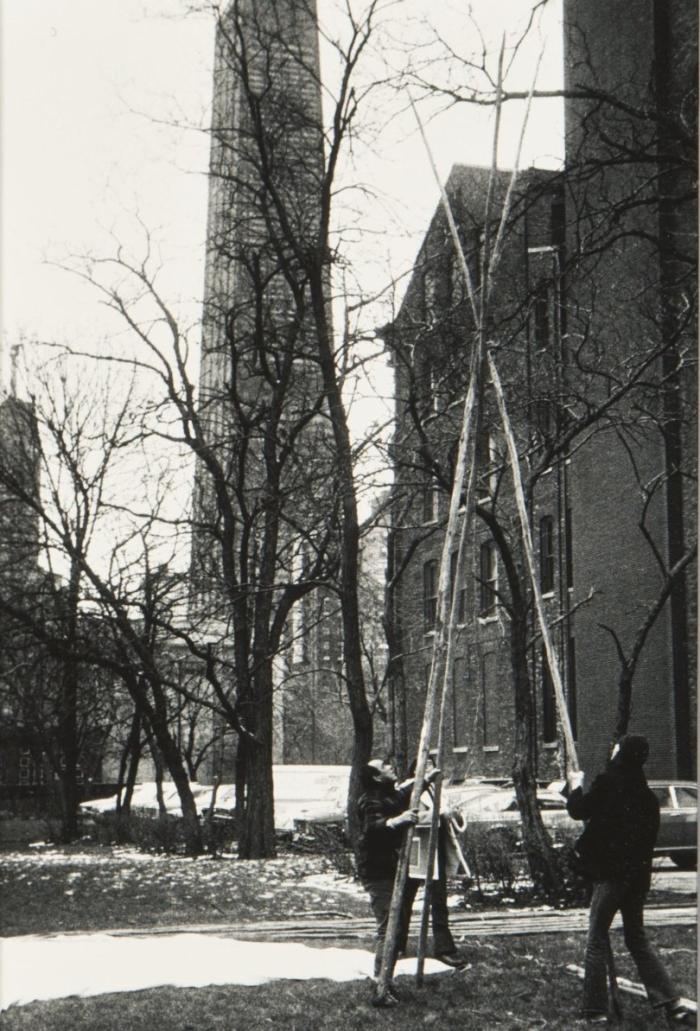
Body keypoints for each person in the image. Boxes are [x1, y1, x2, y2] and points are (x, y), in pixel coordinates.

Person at [564, 734, 694, 1027]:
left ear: (621, 752)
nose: (612, 750)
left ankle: (594, 1010)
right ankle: (671, 1002)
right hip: (637, 880)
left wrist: (574, 785)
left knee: (596, 937)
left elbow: (578, 810)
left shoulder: (609, 783)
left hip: (611, 878)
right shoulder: (647, 796)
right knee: (637, 938)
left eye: (616, 747)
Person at [356, 757, 435, 1008]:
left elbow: (401, 794)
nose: (391, 767)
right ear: (378, 776)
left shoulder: (386, 793)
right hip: (377, 871)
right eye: (386, 767)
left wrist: (423, 780)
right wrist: (398, 820)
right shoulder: (370, 799)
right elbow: (372, 827)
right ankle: (382, 983)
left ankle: (386, 979)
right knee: (388, 926)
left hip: (391, 867)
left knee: (396, 924)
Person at [400, 757, 469, 969]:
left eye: (432, 764)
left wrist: (454, 814)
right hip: (416, 849)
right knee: (405, 898)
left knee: (438, 899)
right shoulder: (408, 789)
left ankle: (444, 948)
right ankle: (396, 943)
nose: (431, 768)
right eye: (426, 765)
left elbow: (449, 818)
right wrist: (438, 813)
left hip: (436, 848)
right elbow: (411, 817)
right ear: (415, 770)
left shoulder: (437, 791)